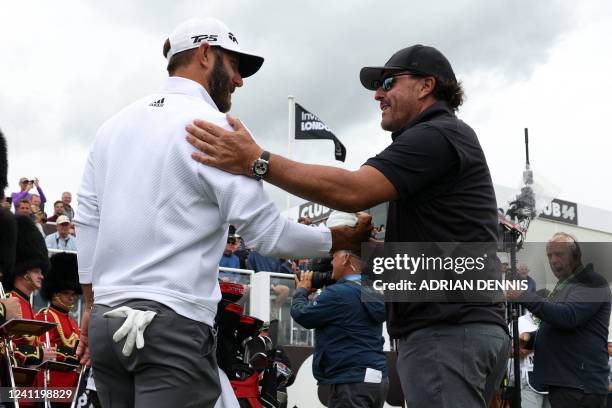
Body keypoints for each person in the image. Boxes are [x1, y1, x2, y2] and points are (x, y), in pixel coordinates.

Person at [185, 44, 509, 406]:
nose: (378, 94)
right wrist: (354, 243)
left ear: (425, 86)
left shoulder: (436, 134)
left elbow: (355, 191)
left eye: (388, 82)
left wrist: (257, 160)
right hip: (460, 330)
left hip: (447, 334)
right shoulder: (440, 139)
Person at [74, 17, 371, 408]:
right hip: (170, 325)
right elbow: (268, 235)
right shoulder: (215, 128)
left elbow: (87, 219)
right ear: (205, 54)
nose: (240, 80)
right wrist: (339, 238)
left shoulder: (112, 127)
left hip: (107, 324)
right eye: (235, 65)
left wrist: (92, 303)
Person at [508, 232, 611, 408]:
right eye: (549, 255)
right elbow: (558, 324)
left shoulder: (592, 282)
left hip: (579, 386)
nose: (553, 260)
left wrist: (524, 296)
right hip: (567, 383)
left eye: (559, 254)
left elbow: (568, 316)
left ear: (576, 255)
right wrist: (530, 338)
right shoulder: (566, 286)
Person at [291, 248, 388, 408]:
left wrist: (301, 291)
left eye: (334, 257)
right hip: (377, 379)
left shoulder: (338, 293)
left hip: (351, 381)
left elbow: (303, 315)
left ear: (345, 258)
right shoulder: (372, 289)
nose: (331, 263)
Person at [35, 252, 81, 407]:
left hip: (72, 387)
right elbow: (45, 350)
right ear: (55, 294)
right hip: (52, 386)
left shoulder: (73, 322)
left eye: (73, 294)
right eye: (66, 293)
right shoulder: (46, 317)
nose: (71, 298)